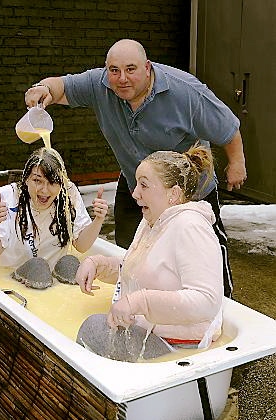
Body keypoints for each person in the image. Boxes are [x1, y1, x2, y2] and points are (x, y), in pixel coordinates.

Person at [24, 38, 247, 297]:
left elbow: (227, 128)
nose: (122, 78)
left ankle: (223, 304)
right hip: (136, 184)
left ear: (148, 67)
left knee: (203, 252)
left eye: (131, 69)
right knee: (130, 249)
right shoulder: (101, 85)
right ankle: (138, 300)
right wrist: (42, 89)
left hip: (187, 192)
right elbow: (60, 87)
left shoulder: (185, 92)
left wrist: (237, 162)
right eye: (114, 70)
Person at [75, 144, 224, 353]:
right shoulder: (153, 220)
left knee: (92, 330)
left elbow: (206, 301)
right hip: (149, 333)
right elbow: (139, 269)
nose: (135, 193)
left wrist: (139, 302)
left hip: (180, 347)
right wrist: (98, 264)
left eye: (144, 185)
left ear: (173, 194)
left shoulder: (191, 227)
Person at [0, 147, 108, 270]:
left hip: (53, 277)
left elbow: (81, 246)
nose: (44, 190)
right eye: (37, 180)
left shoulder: (68, 194)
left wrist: (98, 219)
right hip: (11, 274)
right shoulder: (8, 197)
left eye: (52, 182)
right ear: (26, 179)